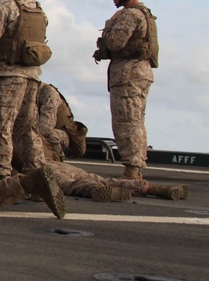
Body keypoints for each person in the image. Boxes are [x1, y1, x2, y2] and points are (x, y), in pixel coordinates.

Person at [34, 82, 186, 202]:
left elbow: (41, 133)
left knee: (65, 182)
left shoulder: (41, 95)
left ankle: (95, 190)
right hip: (46, 155)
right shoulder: (37, 95)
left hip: (38, 159)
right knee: (93, 177)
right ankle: (153, 188)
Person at [0, 0, 50, 179]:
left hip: (6, 77)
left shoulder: (3, 8)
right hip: (32, 77)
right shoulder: (38, 10)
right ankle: (37, 176)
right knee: (28, 129)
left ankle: (0, 177)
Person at [93, 0, 159, 181]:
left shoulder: (130, 15)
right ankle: (135, 166)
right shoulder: (144, 13)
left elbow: (115, 43)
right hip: (140, 73)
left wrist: (109, 24)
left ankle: (132, 170)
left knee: (126, 122)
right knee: (136, 121)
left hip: (128, 74)